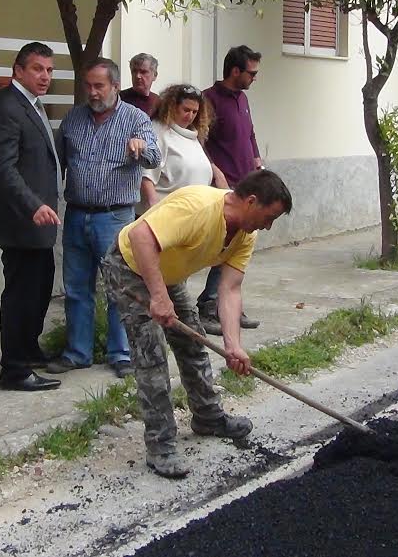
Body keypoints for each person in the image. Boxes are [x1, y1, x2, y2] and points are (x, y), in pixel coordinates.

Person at [100, 170, 292, 479]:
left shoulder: (245, 234)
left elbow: (229, 289)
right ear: (252, 201)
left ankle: (208, 417)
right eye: (268, 217)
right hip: (130, 267)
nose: (268, 226)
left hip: (166, 273)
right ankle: (160, 446)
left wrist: (233, 345)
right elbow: (139, 236)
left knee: (193, 342)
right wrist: (159, 297)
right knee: (152, 357)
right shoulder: (199, 206)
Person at [47, 58, 160, 379]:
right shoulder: (73, 120)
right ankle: (77, 353)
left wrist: (141, 148)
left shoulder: (136, 119)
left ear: (114, 86)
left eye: (99, 86)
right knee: (77, 288)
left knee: (118, 289)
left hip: (115, 218)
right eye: (88, 86)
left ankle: (120, 353)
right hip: (77, 216)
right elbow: (57, 161)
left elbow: (154, 155)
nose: (93, 93)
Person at [0, 42, 62, 392]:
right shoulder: (7, 107)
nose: (44, 76)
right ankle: (13, 370)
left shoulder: (31, 104)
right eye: (37, 69)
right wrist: (33, 205)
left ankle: (27, 349)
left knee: (40, 284)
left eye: (49, 70)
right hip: (21, 219)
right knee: (21, 292)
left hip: (38, 220)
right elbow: (2, 168)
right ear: (18, 70)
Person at [198, 45, 264, 333]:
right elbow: (199, 140)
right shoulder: (208, 100)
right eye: (252, 72)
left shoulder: (243, 99)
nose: (255, 78)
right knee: (224, 246)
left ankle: (230, 304)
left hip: (248, 181)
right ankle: (210, 305)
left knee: (240, 247)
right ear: (235, 71)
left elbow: (249, 134)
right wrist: (216, 173)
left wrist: (258, 160)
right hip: (224, 188)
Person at [138, 83, 225, 213]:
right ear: (172, 107)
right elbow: (146, 174)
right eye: (186, 110)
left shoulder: (193, 135)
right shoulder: (157, 131)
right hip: (166, 215)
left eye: (194, 112)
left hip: (193, 215)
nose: (190, 116)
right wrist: (154, 210)